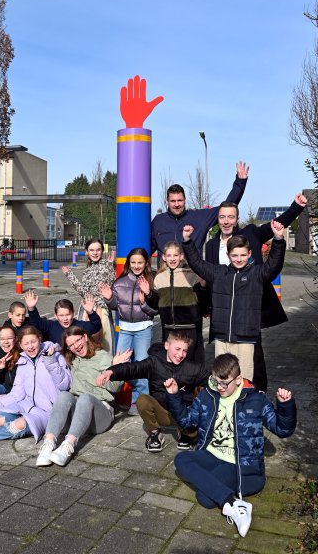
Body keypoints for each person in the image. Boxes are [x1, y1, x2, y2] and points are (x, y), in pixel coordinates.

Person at [164, 353, 296, 538]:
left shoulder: (255, 399)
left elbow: (282, 429)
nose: (220, 387)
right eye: (216, 381)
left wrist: (285, 406)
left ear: (239, 379)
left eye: (225, 383)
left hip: (237, 464)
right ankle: (235, 506)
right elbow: (187, 421)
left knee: (205, 498)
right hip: (211, 454)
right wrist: (174, 396)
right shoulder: (207, 395)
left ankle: (229, 502)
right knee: (181, 458)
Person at [205, 193, 307, 391]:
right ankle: (226, 396)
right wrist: (209, 306)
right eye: (222, 217)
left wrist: (296, 207)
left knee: (255, 357)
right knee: (224, 360)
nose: (226, 222)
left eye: (231, 217)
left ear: (237, 219)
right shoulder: (210, 246)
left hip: (250, 308)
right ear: (218, 219)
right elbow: (211, 279)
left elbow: (276, 225)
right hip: (225, 310)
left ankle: (258, 396)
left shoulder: (250, 234)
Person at [181, 221, 286, 381]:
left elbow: (273, 266)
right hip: (222, 338)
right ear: (228, 255)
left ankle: (243, 406)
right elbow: (198, 264)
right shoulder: (219, 273)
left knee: (243, 382)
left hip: (246, 338)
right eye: (235, 255)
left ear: (250, 254)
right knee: (222, 381)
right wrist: (187, 241)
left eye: (243, 255)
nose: (239, 259)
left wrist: (278, 239)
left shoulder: (257, 274)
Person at [96, 330, 209, 452]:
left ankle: (184, 433)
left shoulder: (192, 367)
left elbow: (211, 379)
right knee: (142, 400)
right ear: (167, 345)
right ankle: (155, 433)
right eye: (177, 349)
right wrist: (111, 371)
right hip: (161, 412)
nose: (180, 354)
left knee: (200, 430)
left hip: (183, 414)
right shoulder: (153, 362)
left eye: (185, 350)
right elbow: (133, 368)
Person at [36, 326, 130, 467]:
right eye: (71, 345)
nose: (76, 346)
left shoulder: (102, 356)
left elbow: (115, 388)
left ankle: (68, 447)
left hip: (100, 414)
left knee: (85, 398)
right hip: (79, 416)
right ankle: (48, 444)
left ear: (85, 337)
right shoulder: (74, 360)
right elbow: (56, 352)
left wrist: (116, 368)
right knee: (63, 395)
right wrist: (51, 354)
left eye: (78, 340)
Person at [0, 326, 71, 446]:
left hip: (50, 411)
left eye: (33, 342)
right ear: (20, 344)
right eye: (26, 343)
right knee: (0, 420)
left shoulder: (55, 356)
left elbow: (65, 385)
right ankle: (3, 428)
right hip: (28, 405)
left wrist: (50, 361)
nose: (30, 346)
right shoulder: (23, 362)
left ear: (40, 340)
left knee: (18, 425)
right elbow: (16, 395)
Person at [151, 161, 249, 265]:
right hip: (164, 276)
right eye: (173, 201)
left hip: (192, 276)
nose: (176, 204)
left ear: (185, 200)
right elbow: (147, 248)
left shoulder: (199, 217)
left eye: (179, 200)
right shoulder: (158, 221)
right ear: (167, 201)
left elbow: (227, 207)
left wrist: (240, 182)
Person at [99, 247, 158, 416]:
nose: (137, 265)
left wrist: (144, 301)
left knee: (141, 363)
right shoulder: (120, 282)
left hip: (143, 328)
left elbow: (155, 310)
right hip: (125, 328)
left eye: (140, 262)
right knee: (120, 363)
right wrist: (109, 297)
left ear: (146, 262)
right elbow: (115, 306)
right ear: (128, 263)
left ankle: (141, 401)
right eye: (133, 262)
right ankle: (111, 398)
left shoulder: (151, 281)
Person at [141, 240, 208, 363]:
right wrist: (148, 294)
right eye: (169, 255)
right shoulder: (160, 278)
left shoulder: (192, 275)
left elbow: (203, 302)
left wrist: (203, 287)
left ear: (181, 256)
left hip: (189, 329)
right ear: (164, 257)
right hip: (168, 329)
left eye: (175, 255)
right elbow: (157, 305)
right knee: (172, 364)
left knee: (191, 365)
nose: (172, 259)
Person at [62, 238, 115, 352]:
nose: (95, 253)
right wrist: (70, 275)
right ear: (87, 251)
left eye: (98, 250)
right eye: (91, 250)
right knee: (85, 343)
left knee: (102, 344)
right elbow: (84, 293)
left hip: (101, 310)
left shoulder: (107, 264)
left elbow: (111, 285)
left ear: (102, 251)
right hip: (87, 309)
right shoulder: (87, 269)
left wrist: (111, 266)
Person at [24, 292, 102, 344]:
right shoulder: (51, 326)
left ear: (73, 313)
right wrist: (31, 308)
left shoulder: (80, 326)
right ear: (55, 316)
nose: (65, 318)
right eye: (61, 315)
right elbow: (37, 322)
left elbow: (96, 326)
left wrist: (90, 312)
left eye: (68, 314)